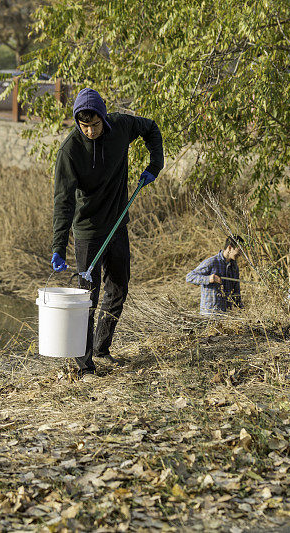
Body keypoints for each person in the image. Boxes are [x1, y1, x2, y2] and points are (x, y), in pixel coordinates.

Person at [50, 88, 164, 378]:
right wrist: (58, 246)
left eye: (94, 124)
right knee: (87, 297)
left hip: (117, 224)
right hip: (88, 231)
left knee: (119, 288)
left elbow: (151, 128)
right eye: (83, 125)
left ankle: (101, 349)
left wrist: (155, 164)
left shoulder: (121, 126)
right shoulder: (69, 151)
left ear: (103, 118)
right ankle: (84, 364)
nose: (89, 131)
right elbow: (62, 201)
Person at [186, 235, 244, 317]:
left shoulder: (234, 267)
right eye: (239, 250)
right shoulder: (212, 262)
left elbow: (236, 291)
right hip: (209, 314)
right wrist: (208, 279)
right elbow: (190, 277)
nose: (241, 254)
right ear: (230, 248)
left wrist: (241, 311)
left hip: (226, 315)